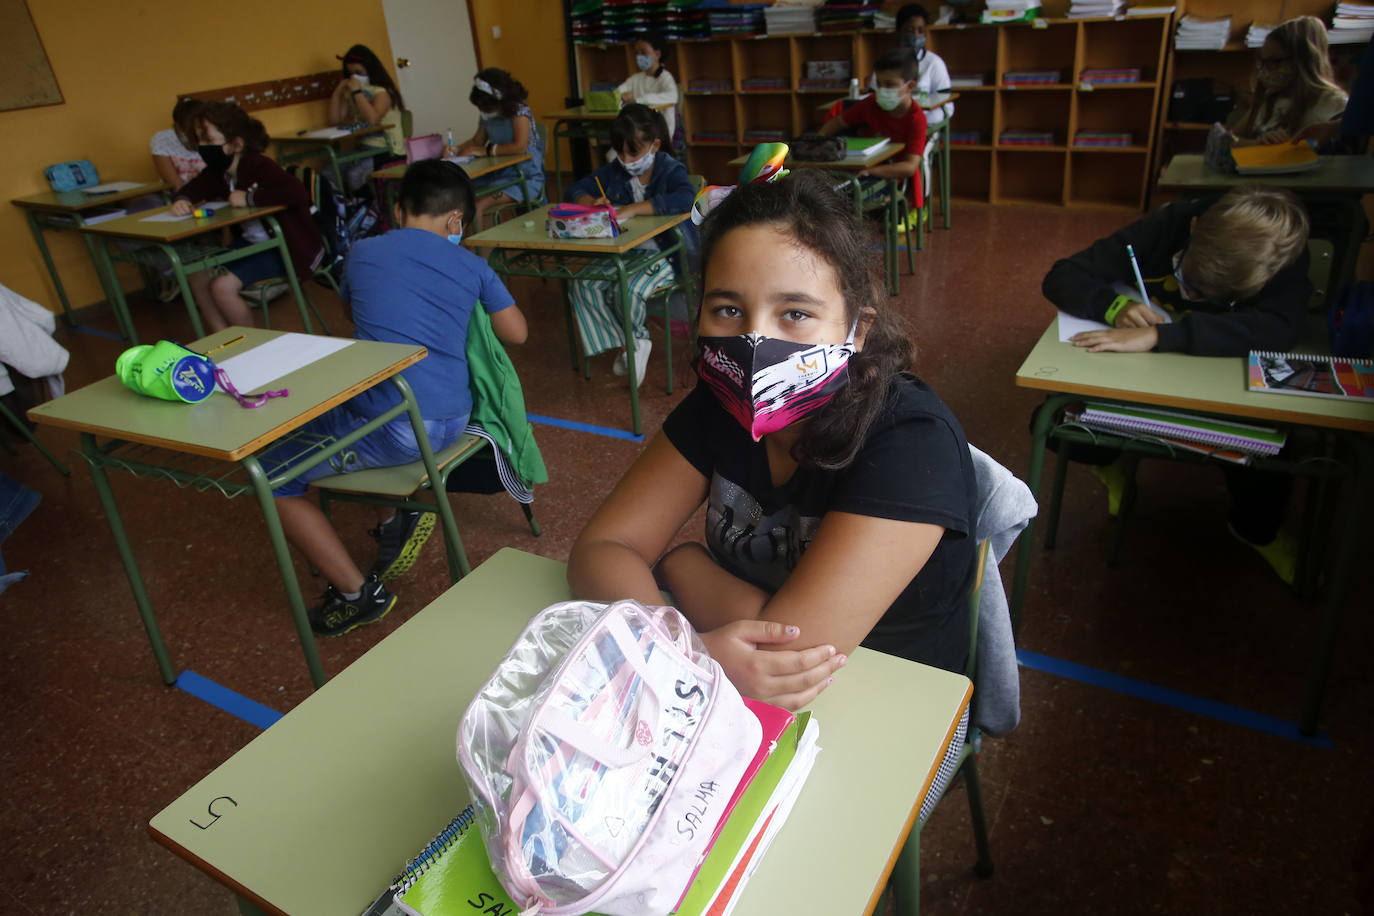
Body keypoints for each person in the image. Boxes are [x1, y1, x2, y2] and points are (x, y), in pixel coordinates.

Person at [567, 167, 977, 711]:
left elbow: (790, 661)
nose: (755, 341)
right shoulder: (718, 404)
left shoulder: (912, 442)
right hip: (735, 684)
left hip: (895, 711)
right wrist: (676, 654)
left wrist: (684, 565)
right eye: (729, 310)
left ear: (858, 329)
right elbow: (601, 550)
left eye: (796, 314)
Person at [260, 159, 528, 635]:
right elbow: (518, 333)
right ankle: (391, 521)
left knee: (272, 475)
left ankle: (356, 594)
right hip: (454, 415)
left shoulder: (363, 252)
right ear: (455, 221)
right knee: (345, 417)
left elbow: (350, 310)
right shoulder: (472, 264)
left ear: (400, 209)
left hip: (397, 424)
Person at [1042, 185, 1311, 583]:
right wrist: (1114, 307)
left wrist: (1162, 337)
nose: (1191, 294)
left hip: (1219, 386)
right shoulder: (1171, 222)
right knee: (1055, 423)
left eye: (1206, 295)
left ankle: (1255, 531)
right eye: (1187, 276)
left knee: (1273, 449)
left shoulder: (1279, 258)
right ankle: (1114, 465)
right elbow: (1062, 275)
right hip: (1140, 377)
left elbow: (1280, 330)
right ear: (1195, 228)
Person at [563, 104, 697, 385]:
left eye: (633, 152)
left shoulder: (670, 169)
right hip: (626, 252)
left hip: (667, 254)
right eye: (620, 151)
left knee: (628, 289)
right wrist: (590, 202)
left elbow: (686, 198)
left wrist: (637, 208)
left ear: (654, 144)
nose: (625, 159)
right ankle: (632, 343)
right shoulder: (615, 171)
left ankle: (634, 343)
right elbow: (575, 189)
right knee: (583, 284)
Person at [170, 102, 324, 333]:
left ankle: (250, 343)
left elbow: (296, 192)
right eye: (200, 141)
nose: (203, 147)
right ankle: (221, 333)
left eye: (210, 141)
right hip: (251, 245)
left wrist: (250, 198)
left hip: (286, 248)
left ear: (236, 144)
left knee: (222, 288)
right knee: (197, 274)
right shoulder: (217, 172)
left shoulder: (259, 164)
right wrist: (182, 199)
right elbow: (193, 188)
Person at [818, 48, 928, 209]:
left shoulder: (917, 119)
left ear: (910, 86)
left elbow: (910, 167)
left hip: (888, 175)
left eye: (890, 84)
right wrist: (817, 142)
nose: (882, 90)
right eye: (879, 84)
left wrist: (872, 171)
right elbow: (838, 122)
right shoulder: (871, 103)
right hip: (861, 169)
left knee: (845, 200)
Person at [447, 68, 546, 228]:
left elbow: (519, 147)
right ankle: (463, 246)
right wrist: (456, 150)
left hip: (524, 177)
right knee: (458, 195)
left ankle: (476, 250)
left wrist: (486, 151)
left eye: (484, 107)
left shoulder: (519, 110)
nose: (482, 112)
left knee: (478, 204)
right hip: (498, 173)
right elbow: (476, 141)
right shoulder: (488, 113)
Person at [1231, 17, 1348, 146]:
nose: (1266, 70)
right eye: (1263, 63)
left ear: (1302, 60)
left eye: (1275, 61)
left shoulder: (1332, 102)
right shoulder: (1271, 100)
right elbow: (1230, 139)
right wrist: (1257, 143)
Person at [329, 43, 406, 160]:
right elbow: (335, 121)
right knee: (332, 170)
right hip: (363, 147)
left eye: (359, 73)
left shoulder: (382, 91)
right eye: (351, 74)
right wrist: (338, 91)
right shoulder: (351, 92)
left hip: (387, 149)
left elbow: (373, 119)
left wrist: (356, 92)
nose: (354, 77)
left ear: (370, 69)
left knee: (354, 173)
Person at [895, 4, 954, 130]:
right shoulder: (888, 62)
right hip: (892, 125)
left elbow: (947, 107)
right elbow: (873, 98)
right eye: (910, 30)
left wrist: (920, 121)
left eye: (921, 30)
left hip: (924, 127)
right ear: (899, 31)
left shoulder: (934, 63)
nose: (916, 35)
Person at [617, 33, 679, 146]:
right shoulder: (636, 78)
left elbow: (672, 96)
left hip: (659, 133)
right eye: (637, 53)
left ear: (657, 54)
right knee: (615, 154)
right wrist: (621, 97)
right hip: (638, 132)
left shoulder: (665, 77)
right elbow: (618, 93)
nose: (639, 57)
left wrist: (637, 100)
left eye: (643, 52)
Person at [149, 98, 206, 191]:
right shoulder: (162, 140)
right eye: (190, 131)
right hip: (181, 196)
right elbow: (177, 186)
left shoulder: (213, 136)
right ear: (178, 126)